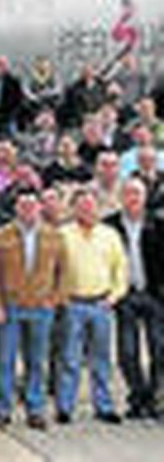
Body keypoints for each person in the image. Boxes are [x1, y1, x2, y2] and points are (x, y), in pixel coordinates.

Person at [0, 191, 65, 430]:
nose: (28, 208)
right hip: (11, 307)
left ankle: (35, 409)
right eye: (23, 205)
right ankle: (2, 410)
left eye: (32, 204)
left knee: (36, 362)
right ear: (16, 208)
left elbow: (64, 272)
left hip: (41, 307)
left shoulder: (54, 236)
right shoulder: (0, 236)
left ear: (40, 208)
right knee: (6, 361)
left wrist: (55, 298)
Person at [55, 187, 128, 424]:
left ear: (97, 207)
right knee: (69, 358)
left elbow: (121, 270)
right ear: (73, 208)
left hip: (101, 304)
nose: (86, 209)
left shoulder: (110, 234)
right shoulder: (62, 234)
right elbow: (52, 269)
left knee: (101, 359)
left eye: (90, 204)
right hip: (72, 304)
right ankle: (65, 407)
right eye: (81, 205)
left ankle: (104, 406)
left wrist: (113, 297)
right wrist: (59, 296)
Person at [106, 178, 164, 419]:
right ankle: (137, 396)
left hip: (154, 295)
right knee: (127, 352)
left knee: (159, 349)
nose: (133, 198)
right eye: (128, 193)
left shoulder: (159, 224)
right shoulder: (109, 226)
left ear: (145, 197)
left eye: (137, 193)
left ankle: (154, 398)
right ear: (121, 197)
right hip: (125, 295)